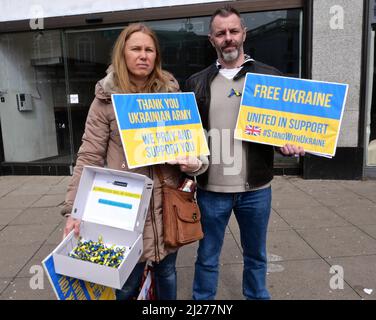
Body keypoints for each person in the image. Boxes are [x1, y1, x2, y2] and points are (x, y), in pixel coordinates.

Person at [61, 23, 208, 300]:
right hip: (125, 209)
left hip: (167, 207)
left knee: (167, 274)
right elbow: (88, 156)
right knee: (126, 283)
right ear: (122, 54)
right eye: (136, 49)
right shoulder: (105, 101)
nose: (143, 55)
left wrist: (194, 164)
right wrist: (73, 210)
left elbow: (198, 152)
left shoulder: (172, 97)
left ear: (156, 56)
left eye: (149, 50)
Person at [185, 6, 305, 300]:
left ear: (244, 34)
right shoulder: (197, 83)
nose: (228, 38)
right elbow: (189, 136)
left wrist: (286, 145)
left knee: (256, 256)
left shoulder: (269, 77)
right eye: (220, 33)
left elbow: (281, 129)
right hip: (211, 189)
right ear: (211, 39)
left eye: (233, 31)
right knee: (208, 256)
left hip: (256, 189)